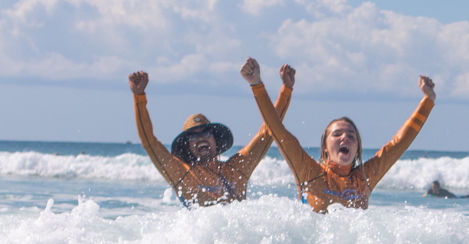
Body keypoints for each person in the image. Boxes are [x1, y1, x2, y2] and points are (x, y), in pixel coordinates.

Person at [242, 59, 435, 212]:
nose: (345, 138)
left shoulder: (365, 178)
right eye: (337, 134)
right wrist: (257, 84)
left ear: (357, 147)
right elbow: (277, 130)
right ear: (325, 147)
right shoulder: (308, 171)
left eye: (351, 135)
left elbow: (399, 144)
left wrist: (428, 100)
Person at [129, 64, 289, 206]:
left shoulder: (236, 169)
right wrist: (139, 96)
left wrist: (285, 89)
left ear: (215, 139)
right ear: (188, 147)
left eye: (205, 132)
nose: (200, 138)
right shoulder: (183, 175)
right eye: (193, 136)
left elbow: (269, 131)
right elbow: (150, 143)